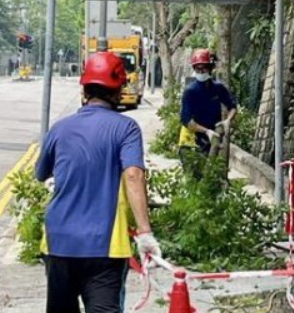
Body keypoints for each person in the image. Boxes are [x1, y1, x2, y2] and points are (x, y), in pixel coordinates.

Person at [35, 51, 161, 313]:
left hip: (59, 241)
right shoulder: (125, 128)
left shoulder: (59, 128)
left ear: (85, 88)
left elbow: (41, 174)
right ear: (118, 91)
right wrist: (145, 232)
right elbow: (134, 175)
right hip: (104, 246)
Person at [178, 49, 237, 179]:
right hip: (190, 141)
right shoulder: (190, 91)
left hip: (209, 139)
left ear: (209, 68)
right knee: (194, 178)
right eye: (198, 69)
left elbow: (232, 106)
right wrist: (206, 131)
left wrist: (228, 120)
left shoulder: (218, 88)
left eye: (203, 69)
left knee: (208, 175)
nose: (201, 72)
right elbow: (186, 120)